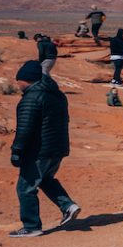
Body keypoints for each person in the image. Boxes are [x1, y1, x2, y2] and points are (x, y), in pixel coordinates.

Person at [10, 61, 81, 236]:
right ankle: (68, 206)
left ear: (25, 79)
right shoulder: (57, 95)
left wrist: (17, 150)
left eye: (18, 80)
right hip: (58, 147)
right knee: (45, 179)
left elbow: (25, 128)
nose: (17, 84)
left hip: (38, 150)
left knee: (25, 188)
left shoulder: (31, 98)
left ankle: (31, 226)